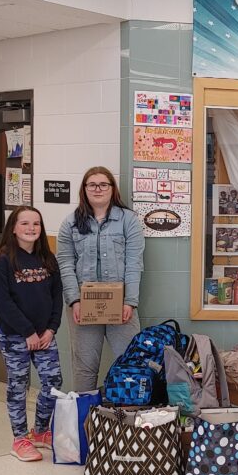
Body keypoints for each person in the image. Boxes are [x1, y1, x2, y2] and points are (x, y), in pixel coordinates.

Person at [57, 167, 145, 392]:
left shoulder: (128, 220)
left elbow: (134, 262)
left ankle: (129, 420)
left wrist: (130, 302)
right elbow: (65, 264)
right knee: (84, 368)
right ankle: (84, 421)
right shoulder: (70, 224)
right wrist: (74, 301)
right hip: (83, 305)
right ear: (84, 189)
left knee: (131, 364)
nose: (98, 189)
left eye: (103, 184)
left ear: (112, 189)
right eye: (92, 185)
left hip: (122, 304)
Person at [0, 206, 63, 462]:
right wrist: (28, 332)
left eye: (36, 224)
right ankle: (19, 439)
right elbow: (3, 303)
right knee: (19, 386)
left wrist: (51, 329)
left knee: (53, 382)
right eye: (25, 224)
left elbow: (56, 298)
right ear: (13, 227)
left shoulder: (48, 260)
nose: (31, 228)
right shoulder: (2, 261)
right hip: (14, 336)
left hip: (45, 336)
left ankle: (41, 431)